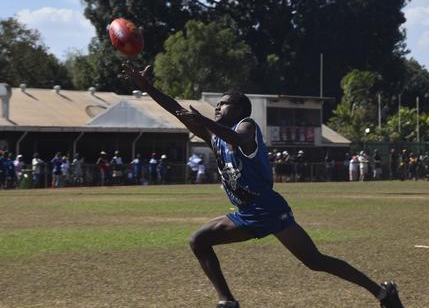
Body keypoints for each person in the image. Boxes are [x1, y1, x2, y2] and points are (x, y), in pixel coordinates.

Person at [124, 64, 403, 308]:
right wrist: (148, 87)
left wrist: (204, 121)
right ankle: (228, 301)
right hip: (249, 211)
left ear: (241, 110)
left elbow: (237, 140)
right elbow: (176, 109)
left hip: (267, 209)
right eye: (218, 104)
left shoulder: (247, 126)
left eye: (225, 104)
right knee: (200, 240)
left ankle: (382, 293)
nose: (219, 107)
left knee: (315, 261)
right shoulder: (215, 135)